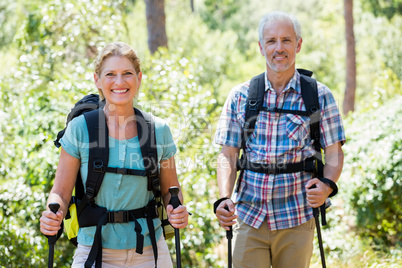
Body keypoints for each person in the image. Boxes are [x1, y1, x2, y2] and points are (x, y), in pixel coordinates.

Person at [214, 11, 345, 268]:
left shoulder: (318, 96)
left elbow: (334, 153)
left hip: (297, 216)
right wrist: (223, 197)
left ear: (298, 44)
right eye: (271, 41)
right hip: (248, 215)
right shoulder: (241, 96)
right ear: (261, 47)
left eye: (286, 40)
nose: (279, 48)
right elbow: (228, 155)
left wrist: (327, 185)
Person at [40, 42, 189, 267]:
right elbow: (60, 192)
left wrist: (177, 210)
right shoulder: (80, 129)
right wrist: (52, 214)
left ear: (139, 78)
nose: (119, 82)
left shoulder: (158, 131)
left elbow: (171, 191)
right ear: (97, 80)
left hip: (150, 251)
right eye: (110, 74)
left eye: (127, 73)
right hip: (94, 248)